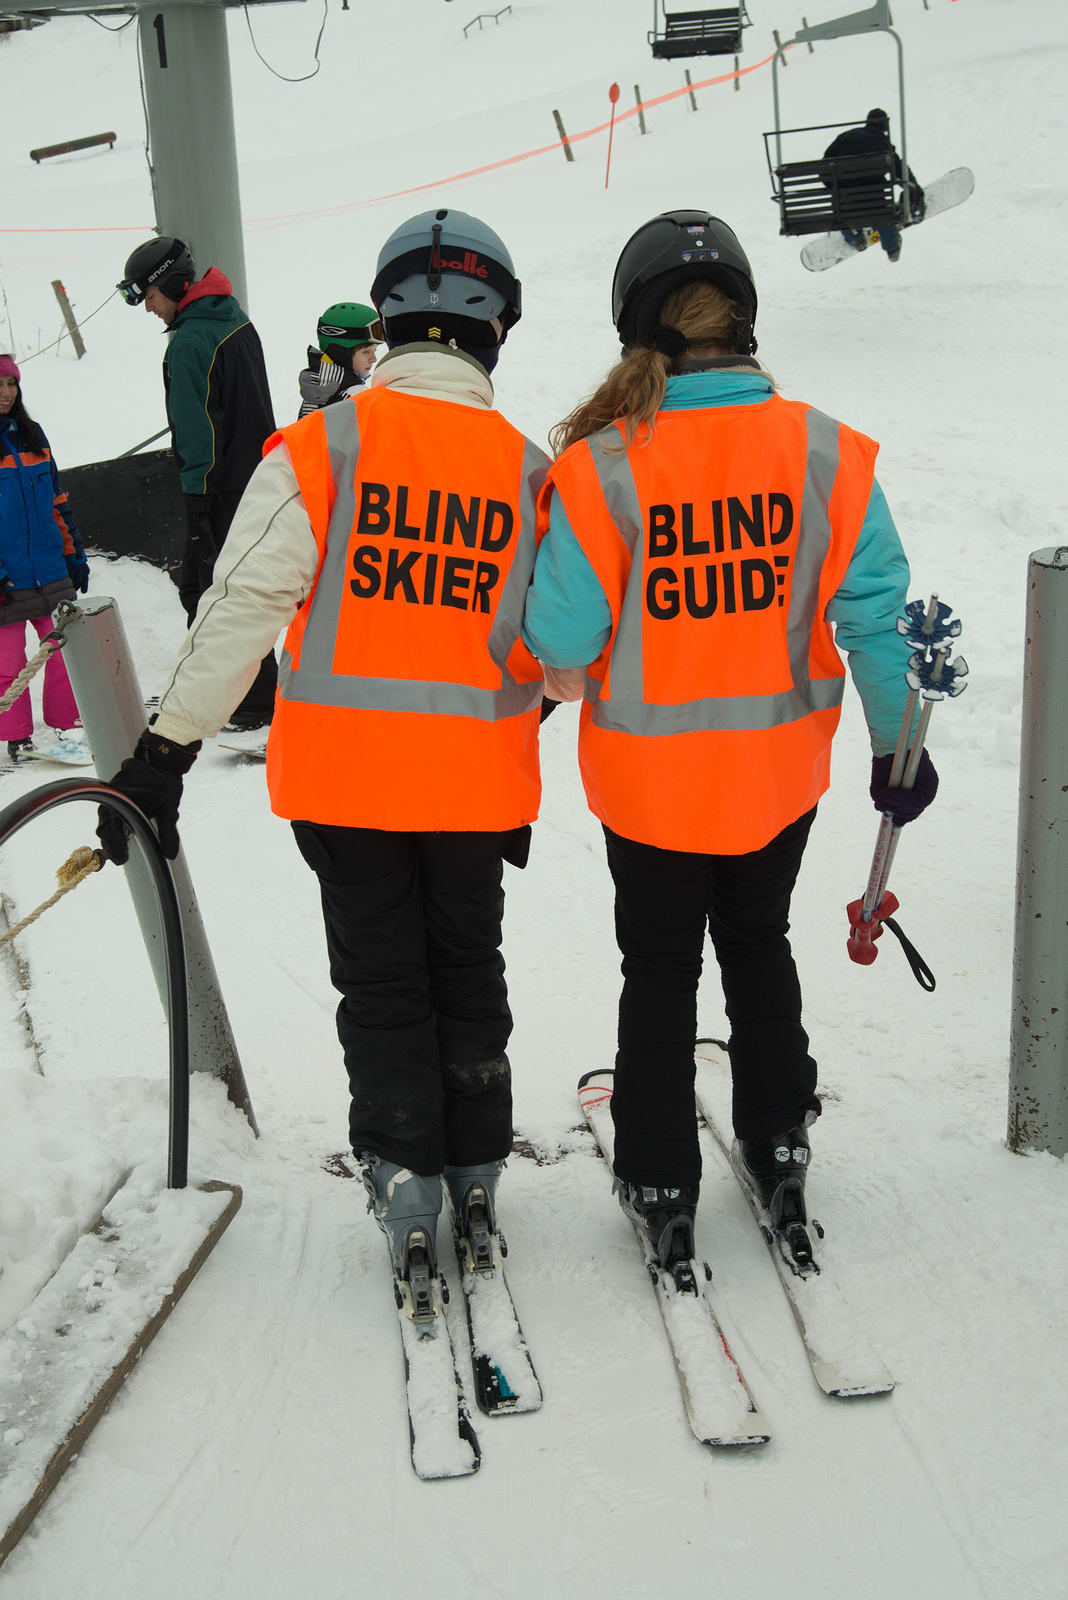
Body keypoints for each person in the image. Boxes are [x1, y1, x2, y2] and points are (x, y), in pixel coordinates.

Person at [99, 209, 550, 1304]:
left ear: (386, 322)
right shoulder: (530, 468)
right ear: (495, 332)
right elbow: (565, 644)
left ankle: (404, 1171)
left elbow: (241, 609)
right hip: (476, 787)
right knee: (467, 966)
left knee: (382, 981)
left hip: (347, 784)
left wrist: (161, 752)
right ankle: (478, 1162)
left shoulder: (322, 447)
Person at [522, 209, 938, 1271]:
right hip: (774, 779)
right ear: (742, 322)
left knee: (658, 967)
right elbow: (876, 617)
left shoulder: (604, 466)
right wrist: (899, 749)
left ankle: (661, 1176)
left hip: (651, 786)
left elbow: (563, 637)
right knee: (759, 946)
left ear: (638, 329)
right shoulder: (824, 451)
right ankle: (779, 1133)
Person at [118, 237, 279, 730]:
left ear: (172, 283)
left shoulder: (189, 342)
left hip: (221, 488)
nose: (149, 307)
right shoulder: (234, 317)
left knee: (205, 594)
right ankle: (255, 695)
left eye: (149, 295)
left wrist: (197, 502)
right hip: (257, 480)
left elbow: (198, 429)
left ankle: (244, 702)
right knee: (237, 592)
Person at [0, 353, 88, 765]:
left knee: (64, 651)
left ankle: (66, 726)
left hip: (50, 568)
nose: (5, 393)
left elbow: (57, 502)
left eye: (11, 384)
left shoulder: (32, 435)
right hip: (7, 577)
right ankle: (15, 739)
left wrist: (74, 556)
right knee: (9, 665)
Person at [823, 108, 925, 262]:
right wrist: (914, 188)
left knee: (842, 212)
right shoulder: (883, 143)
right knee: (880, 212)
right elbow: (899, 169)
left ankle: (855, 239)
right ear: (884, 128)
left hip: (846, 200)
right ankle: (892, 248)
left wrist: (832, 187)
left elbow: (824, 164)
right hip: (875, 200)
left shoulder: (846, 136)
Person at [297, 302, 383, 418]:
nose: (374, 359)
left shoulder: (316, 389)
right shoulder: (357, 397)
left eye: (375, 350)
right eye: (366, 352)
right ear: (341, 353)